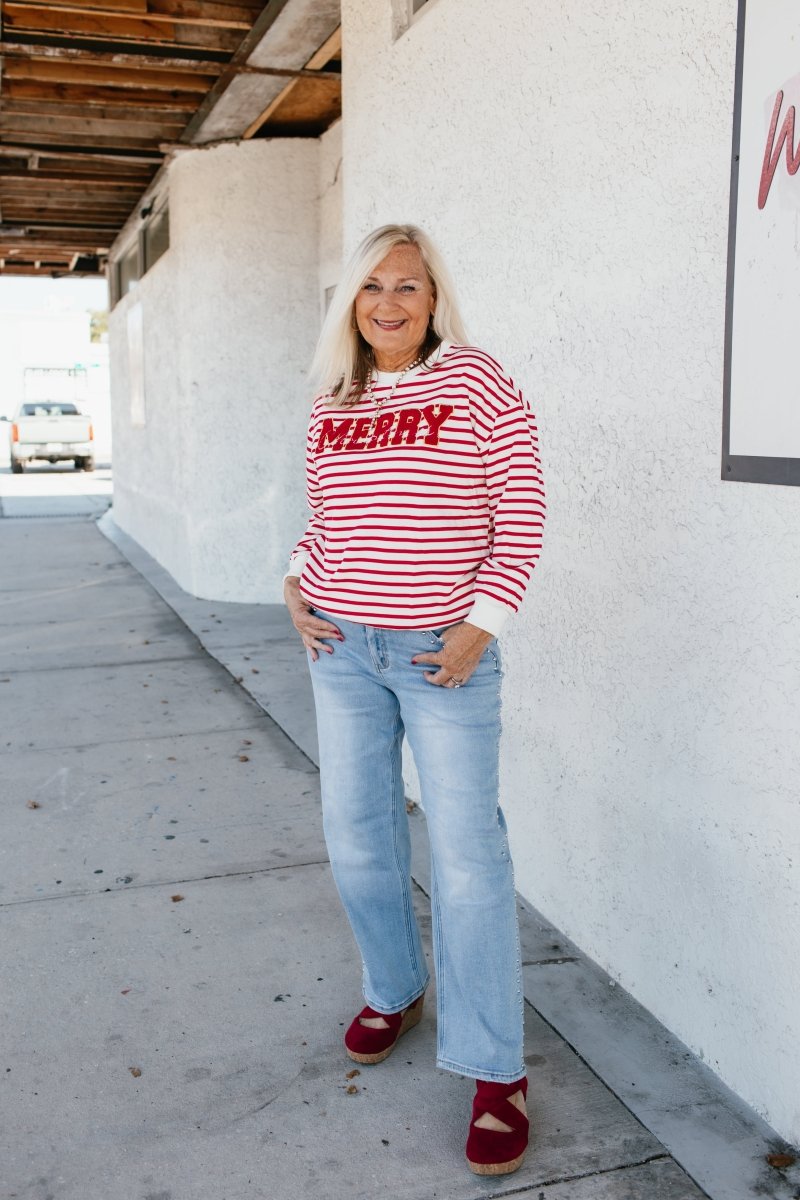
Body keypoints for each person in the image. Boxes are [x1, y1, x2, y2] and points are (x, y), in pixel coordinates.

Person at [283, 224, 545, 1176]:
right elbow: (328, 516)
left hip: (446, 656)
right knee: (357, 832)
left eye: (408, 287)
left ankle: (495, 1069)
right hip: (343, 649)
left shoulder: (474, 377)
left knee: (469, 857)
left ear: (434, 300)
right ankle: (394, 989)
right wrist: (296, 578)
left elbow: (522, 497)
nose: (388, 303)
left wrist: (486, 619)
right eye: (371, 287)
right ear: (349, 300)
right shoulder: (334, 397)